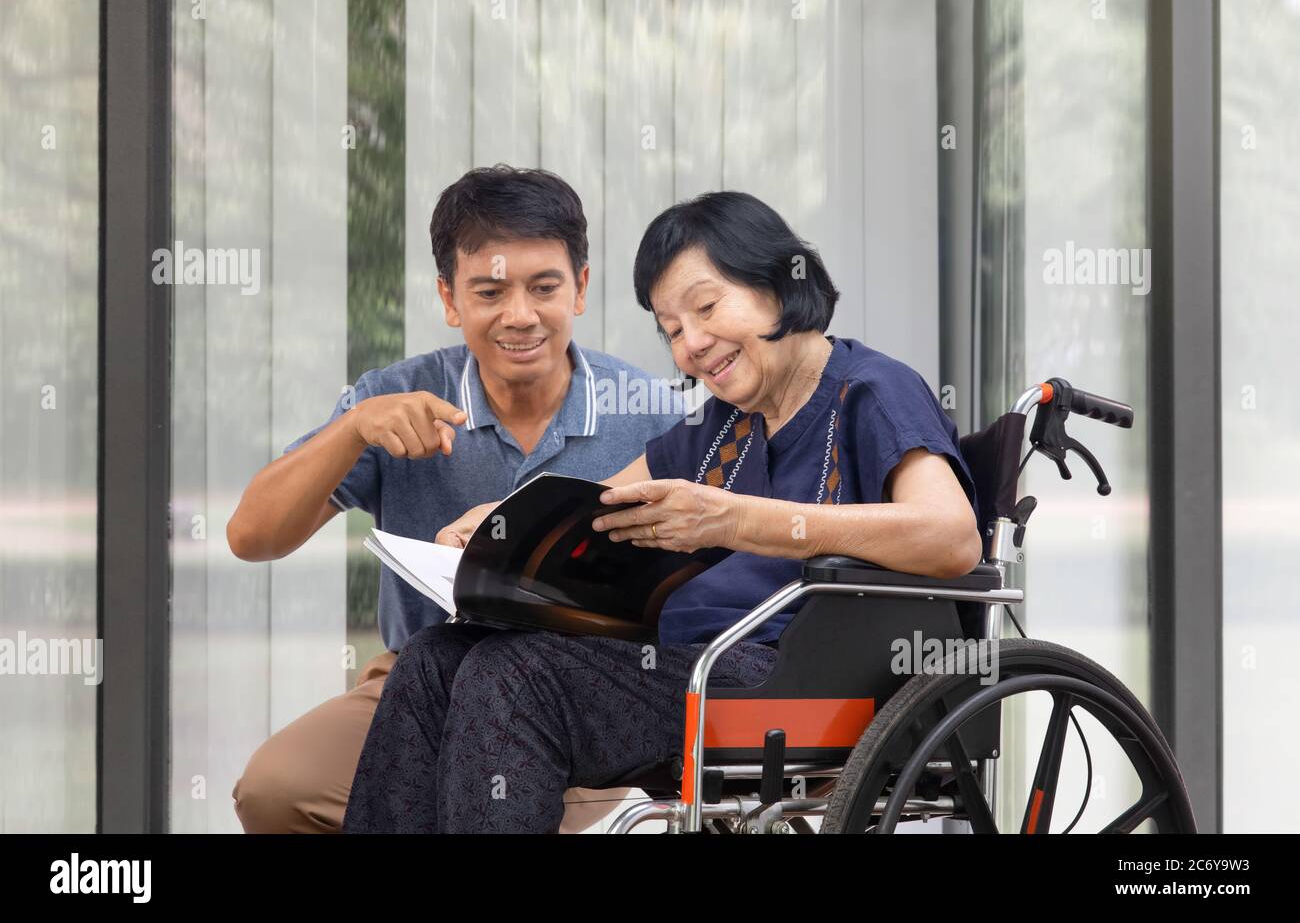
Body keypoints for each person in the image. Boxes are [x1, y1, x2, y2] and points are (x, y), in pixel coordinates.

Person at [341, 190, 984, 834]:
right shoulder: (723, 422)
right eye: (673, 329)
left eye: (706, 307)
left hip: (790, 674)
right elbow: (600, 507)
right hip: (682, 663)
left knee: (515, 676)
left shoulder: (872, 391)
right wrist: (500, 523)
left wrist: (735, 520)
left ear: (779, 282)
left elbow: (952, 538)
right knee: (435, 657)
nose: (694, 345)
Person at [225, 165, 687, 833]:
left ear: (581, 289)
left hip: (573, 697)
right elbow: (251, 536)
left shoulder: (645, 411)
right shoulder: (397, 397)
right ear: (449, 298)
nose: (519, 315)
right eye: (490, 290)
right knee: (276, 789)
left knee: (494, 802)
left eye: (544, 287)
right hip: (419, 677)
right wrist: (351, 431)